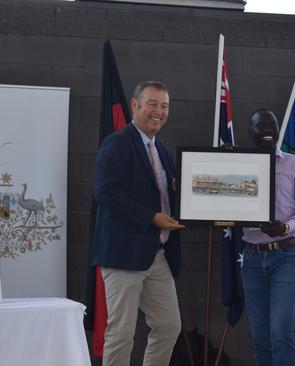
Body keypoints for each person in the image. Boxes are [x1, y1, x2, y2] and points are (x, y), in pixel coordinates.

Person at [90, 80, 185, 366]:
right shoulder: (116, 144)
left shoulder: (164, 152)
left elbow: (168, 197)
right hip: (122, 255)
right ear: (135, 105)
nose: (159, 111)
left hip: (157, 256)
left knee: (169, 326)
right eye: (152, 104)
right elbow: (106, 194)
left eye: (164, 106)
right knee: (121, 333)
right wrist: (151, 218)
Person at [241, 109, 295, 366]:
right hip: (252, 258)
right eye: (261, 127)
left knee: (279, 333)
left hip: (287, 255)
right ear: (250, 133)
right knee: (259, 336)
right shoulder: (239, 166)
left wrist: (286, 227)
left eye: (271, 126)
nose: (267, 132)